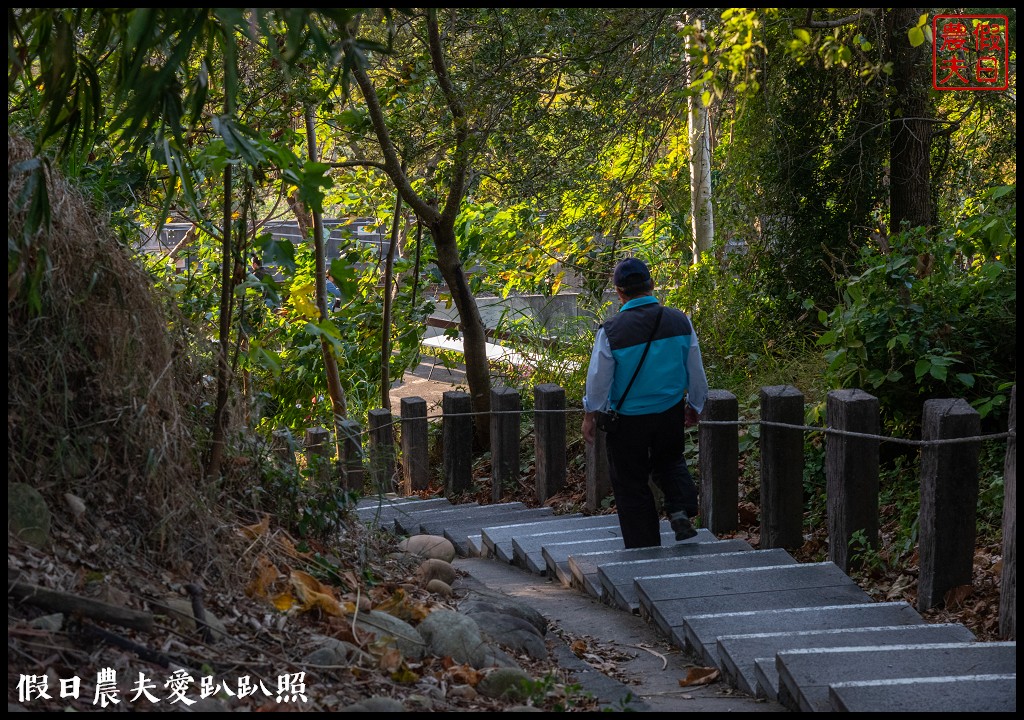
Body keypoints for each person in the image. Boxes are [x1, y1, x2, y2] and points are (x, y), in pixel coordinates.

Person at [582, 257, 709, 549]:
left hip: (628, 420)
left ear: (619, 292)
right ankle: (679, 510)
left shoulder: (611, 331)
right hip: (669, 412)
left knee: (630, 482)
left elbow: (598, 381)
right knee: (670, 461)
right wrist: (695, 404)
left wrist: (590, 415)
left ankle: (644, 548)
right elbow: (696, 370)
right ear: (652, 285)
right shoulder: (680, 320)